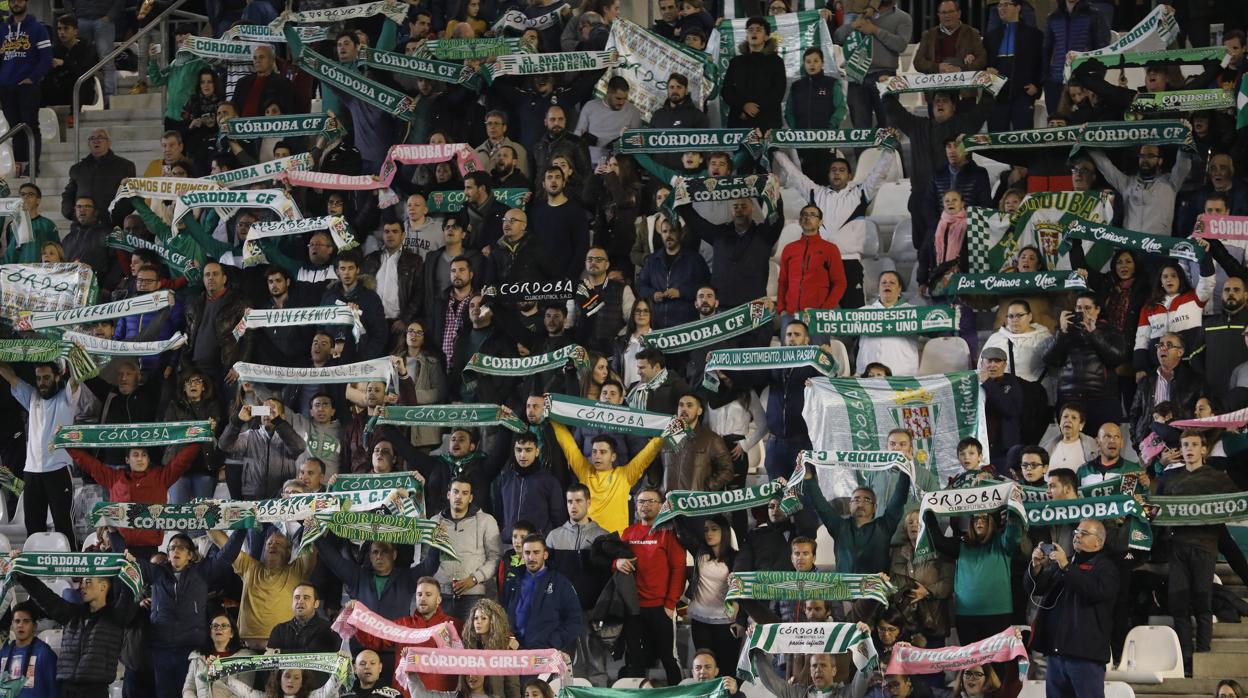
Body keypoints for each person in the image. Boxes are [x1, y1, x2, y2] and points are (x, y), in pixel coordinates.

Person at [771, 143, 895, 309]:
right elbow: (794, 174)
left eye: (841, 170)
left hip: (849, 262)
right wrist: (775, 151)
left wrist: (889, 148)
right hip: (821, 263)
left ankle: (855, 336)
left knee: (854, 315)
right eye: (833, 170)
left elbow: (879, 173)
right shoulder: (816, 193)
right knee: (816, 314)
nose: (837, 173)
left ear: (850, 176)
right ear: (828, 175)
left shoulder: (860, 193)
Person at [1157, 430, 1239, 675]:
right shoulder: (1170, 479)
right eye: (1185, 445)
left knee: (1203, 603)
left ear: (1204, 449)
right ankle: (1186, 660)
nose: (1189, 448)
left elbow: (1236, 503)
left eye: (1194, 444)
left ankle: (1203, 655)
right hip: (1178, 548)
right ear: (1180, 449)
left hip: (1205, 547)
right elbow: (1157, 511)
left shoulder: (1217, 478)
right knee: (1178, 605)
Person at [1027, 518, 1120, 696]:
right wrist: (1036, 566)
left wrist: (1066, 567)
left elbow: (1093, 591)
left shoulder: (1107, 568)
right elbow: (1036, 588)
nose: (1077, 536)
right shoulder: (1065, 563)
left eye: (1084, 534)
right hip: (1057, 655)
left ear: (1098, 542)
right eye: (1076, 532)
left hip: (1085, 657)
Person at [16, 572, 135, 697]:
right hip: (66, 690)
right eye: (82, 582)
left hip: (95, 692)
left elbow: (128, 597)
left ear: (103, 586)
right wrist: (23, 577)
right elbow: (45, 597)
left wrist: (129, 570)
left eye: (88, 582)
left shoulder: (115, 617)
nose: (82, 586)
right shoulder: (71, 614)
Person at [0, 361, 81, 545]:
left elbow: (77, 379)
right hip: (32, 472)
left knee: (64, 525)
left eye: (46, 378)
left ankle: (71, 572)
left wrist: (74, 353)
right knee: (33, 527)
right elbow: (10, 377)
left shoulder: (67, 397)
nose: (42, 382)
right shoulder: (32, 396)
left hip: (59, 469)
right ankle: (32, 574)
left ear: (57, 377)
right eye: (38, 378)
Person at [618, 488, 685, 686]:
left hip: (660, 608)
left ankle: (677, 693)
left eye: (650, 501)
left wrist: (670, 604)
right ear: (636, 506)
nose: (645, 505)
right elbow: (614, 559)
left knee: (668, 658)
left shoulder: (669, 533)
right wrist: (617, 562)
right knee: (635, 660)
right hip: (634, 608)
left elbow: (678, 569)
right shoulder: (628, 533)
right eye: (640, 501)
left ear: (660, 505)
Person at [801, 453, 911, 574]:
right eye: (856, 499)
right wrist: (808, 475)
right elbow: (819, 503)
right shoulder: (839, 527)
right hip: (844, 590)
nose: (860, 503)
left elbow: (899, 498)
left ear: (875, 507)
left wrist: (906, 470)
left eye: (867, 500)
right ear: (850, 505)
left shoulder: (884, 526)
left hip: (874, 590)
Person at [351, 578, 462, 695]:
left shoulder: (454, 626)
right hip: (405, 694)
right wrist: (357, 619)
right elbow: (373, 642)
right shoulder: (402, 624)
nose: (423, 598)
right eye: (419, 594)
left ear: (438, 599)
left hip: (441, 694)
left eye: (428, 594)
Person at [1043, 291, 1127, 437]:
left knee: (1103, 444)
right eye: (1079, 308)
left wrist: (1094, 333)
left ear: (1098, 310)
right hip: (1069, 398)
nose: (1083, 312)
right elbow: (1050, 360)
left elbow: (1117, 358)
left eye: (1087, 308)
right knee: (1071, 445)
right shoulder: (1065, 331)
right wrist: (1062, 332)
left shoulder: (1109, 330)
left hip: (1102, 399)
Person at [431, 478, 502, 620]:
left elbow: (495, 557)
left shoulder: (486, 521)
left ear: (470, 498)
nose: (459, 497)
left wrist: (475, 578)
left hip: (473, 595)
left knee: (471, 640)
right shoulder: (433, 522)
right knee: (441, 641)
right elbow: (426, 559)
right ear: (448, 495)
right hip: (440, 596)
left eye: (464, 493)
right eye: (455, 492)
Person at [833, 0, 911, 128]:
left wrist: (875, 30)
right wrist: (852, 26)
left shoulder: (903, 17)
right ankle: (862, 149)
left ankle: (890, 149)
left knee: (888, 128)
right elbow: (838, 38)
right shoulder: (858, 14)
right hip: (856, 75)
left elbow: (900, 45)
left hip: (884, 76)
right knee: (860, 132)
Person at [501, 534, 583, 653]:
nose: (531, 557)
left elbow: (575, 620)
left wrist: (553, 642)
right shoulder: (511, 583)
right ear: (522, 556)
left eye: (536, 552)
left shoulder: (560, 583)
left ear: (545, 555)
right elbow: (501, 616)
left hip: (546, 653)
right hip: (514, 653)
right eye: (527, 553)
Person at [0, 0, 51, 176]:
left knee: (30, 126)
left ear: (26, 2)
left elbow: (46, 58)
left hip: (28, 87)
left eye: (19, 0)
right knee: (15, 128)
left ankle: (33, 165)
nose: (16, 3)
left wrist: (32, 78)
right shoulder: (2, 29)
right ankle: (20, 166)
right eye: (12, 0)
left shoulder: (37, 28)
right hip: (6, 87)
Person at [493, 432, 568, 542]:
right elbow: (499, 512)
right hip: (509, 544)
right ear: (514, 451)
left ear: (537, 451)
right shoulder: (505, 479)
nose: (523, 455)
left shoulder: (549, 481)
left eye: (528, 450)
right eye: (519, 450)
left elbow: (559, 519)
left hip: (537, 547)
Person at [637, 217, 710, 329]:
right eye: (665, 231)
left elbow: (706, 288)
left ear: (680, 233)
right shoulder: (652, 260)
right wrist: (653, 294)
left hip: (686, 325)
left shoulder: (695, 260)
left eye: (672, 231)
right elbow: (641, 286)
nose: (668, 235)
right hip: (657, 324)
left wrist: (681, 292)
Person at [776, 203, 847, 318]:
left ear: (820, 222)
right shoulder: (789, 249)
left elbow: (840, 283)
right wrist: (782, 309)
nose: (807, 217)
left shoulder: (830, 249)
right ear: (799, 221)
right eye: (804, 215)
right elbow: (783, 282)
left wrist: (825, 310)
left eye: (813, 215)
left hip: (817, 315)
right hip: (791, 314)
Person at [1040, 0, 1109, 112]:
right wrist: (1045, 78)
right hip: (1056, 81)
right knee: (1057, 124)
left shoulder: (1094, 15)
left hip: (1084, 80)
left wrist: (1097, 80)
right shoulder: (1053, 17)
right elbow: (1046, 49)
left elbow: (1102, 49)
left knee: (1083, 123)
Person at [984, 0, 1043, 132]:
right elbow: (984, 62)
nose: (1001, 8)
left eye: (1006, 4)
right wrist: (986, 69)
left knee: (1023, 137)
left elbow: (1041, 62)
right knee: (996, 137)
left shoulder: (1034, 35)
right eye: (999, 5)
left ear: (1018, 8)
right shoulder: (990, 36)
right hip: (997, 94)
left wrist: (1037, 85)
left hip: (1023, 92)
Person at [364, 220, 425, 339]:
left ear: (403, 235)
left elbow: (419, 293)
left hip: (398, 325)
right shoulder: (370, 259)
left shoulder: (414, 261)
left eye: (395, 231)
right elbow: (362, 289)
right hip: (372, 323)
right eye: (387, 231)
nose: (390, 235)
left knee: (396, 358)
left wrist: (404, 319)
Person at [61, 128, 136, 226]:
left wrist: (114, 216)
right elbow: (69, 194)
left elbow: (129, 196)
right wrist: (72, 214)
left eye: (100, 137)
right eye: (92, 138)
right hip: (82, 225)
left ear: (109, 142)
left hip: (112, 225)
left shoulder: (125, 166)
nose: (96, 140)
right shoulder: (78, 168)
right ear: (88, 144)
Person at [721, 17, 786, 130]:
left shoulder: (776, 61)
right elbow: (727, 90)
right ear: (747, 36)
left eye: (758, 30)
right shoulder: (736, 62)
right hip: (739, 121)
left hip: (768, 123)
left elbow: (778, 91)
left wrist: (756, 108)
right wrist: (743, 106)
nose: (754, 32)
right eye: (750, 30)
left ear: (766, 37)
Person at [855, 271, 920, 375]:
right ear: (879, 288)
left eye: (892, 283)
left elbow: (935, 328)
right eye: (883, 282)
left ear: (899, 289)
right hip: (868, 375)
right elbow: (839, 325)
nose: (887, 285)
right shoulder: (863, 312)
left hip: (903, 374)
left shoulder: (913, 312)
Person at [183, 613, 255, 698]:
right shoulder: (197, 657)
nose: (219, 628)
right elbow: (188, 689)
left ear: (231, 633)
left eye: (224, 626)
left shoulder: (245, 658)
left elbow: (244, 693)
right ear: (210, 633)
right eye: (215, 626)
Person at [574, 76, 641, 163]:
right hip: (588, 160)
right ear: (608, 92)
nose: (622, 103)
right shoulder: (590, 106)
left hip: (615, 164)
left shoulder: (633, 112)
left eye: (625, 99)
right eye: (618, 98)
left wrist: (617, 145)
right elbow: (578, 134)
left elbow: (635, 143)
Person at [0, 602, 57, 698]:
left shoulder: (44, 653)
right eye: (17, 621)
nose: (20, 625)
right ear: (12, 626)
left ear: (35, 626)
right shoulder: (3, 653)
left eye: (26, 621)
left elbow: (54, 691)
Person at [979, 347, 1024, 466]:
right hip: (980, 444)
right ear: (981, 363)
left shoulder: (1013, 382)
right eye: (989, 361)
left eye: (997, 361)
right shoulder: (971, 383)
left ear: (1004, 365)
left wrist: (988, 383)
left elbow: (1011, 409)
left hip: (1004, 446)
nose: (992, 365)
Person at [267, 584, 342, 655]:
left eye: (306, 598)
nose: (300, 601)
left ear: (316, 604)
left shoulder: (329, 629)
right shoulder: (279, 629)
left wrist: (279, 652)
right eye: (297, 597)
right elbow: (269, 658)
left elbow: (313, 654)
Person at [41, 13, 96, 108]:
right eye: (59, 29)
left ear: (75, 31)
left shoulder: (86, 48)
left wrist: (64, 63)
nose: (62, 32)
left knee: (79, 84)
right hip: (62, 88)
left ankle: (73, 119)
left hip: (81, 88)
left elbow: (83, 72)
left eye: (66, 28)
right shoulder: (55, 50)